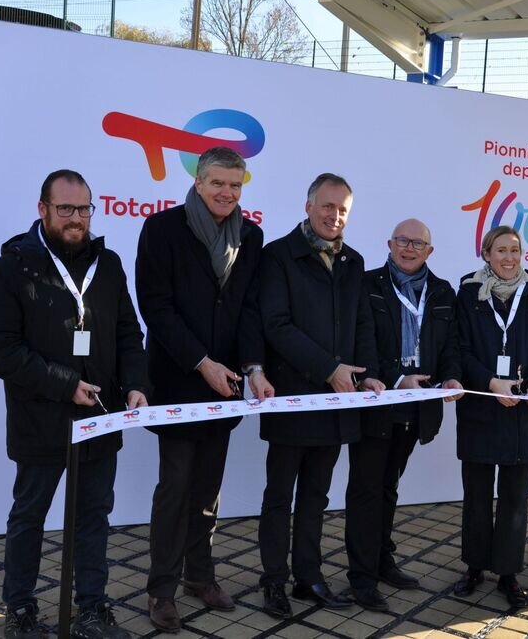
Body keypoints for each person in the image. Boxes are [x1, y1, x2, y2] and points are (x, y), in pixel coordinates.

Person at [0, 169, 148, 639]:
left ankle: (92, 609)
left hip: (100, 418)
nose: (76, 219)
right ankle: (20, 610)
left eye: (84, 209)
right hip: (40, 418)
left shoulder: (108, 264)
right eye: (66, 209)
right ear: (43, 210)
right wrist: (64, 383)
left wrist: (135, 384)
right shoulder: (12, 267)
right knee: (29, 517)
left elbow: (128, 333)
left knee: (93, 518)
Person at [135, 147, 275, 632]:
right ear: (198, 182)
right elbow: (156, 308)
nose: (226, 193)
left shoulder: (251, 236)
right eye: (218, 183)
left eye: (235, 186)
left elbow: (251, 310)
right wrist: (202, 363)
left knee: (208, 489)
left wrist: (252, 368)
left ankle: (200, 574)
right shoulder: (162, 230)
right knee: (174, 488)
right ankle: (161, 590)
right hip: (178, 382)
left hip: (226, 386)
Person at [257, 173, 386, 619]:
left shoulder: (353, 261)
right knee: (279, 496)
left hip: (339, 403)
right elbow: (275, 325)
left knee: (316, 497)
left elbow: (363, 325)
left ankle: (308, 578)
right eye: (327, 206)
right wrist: (329, 369)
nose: (335, 216)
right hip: (293, 399)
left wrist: (367, 376)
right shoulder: (277, 256)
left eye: (343, 209)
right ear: (308, 205)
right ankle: (273, 580)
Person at [344, 219, 465, 612]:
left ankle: (382, 561)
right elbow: (359, 342)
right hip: (378, 403)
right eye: (402, 241)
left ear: (430, 251)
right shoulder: (367, 285)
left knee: (388, 487)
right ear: (390, 244)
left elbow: (451, 345)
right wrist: (396, 378)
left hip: (417, 410)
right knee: (365, 490)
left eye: (418, 243)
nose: (409, 248)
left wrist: (450, 377)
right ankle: (361, 578)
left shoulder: (444, 292)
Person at [452, 226, 528, 609]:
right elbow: (458, 350)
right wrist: (490, 382)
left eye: (515, 250)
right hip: (481, 406)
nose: (510, 257)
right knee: (477, 497)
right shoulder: (467, 293)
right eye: (501, 250)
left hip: (521, 416)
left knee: (514, 500)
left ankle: (509, 573)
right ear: (486, 253)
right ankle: (475, 567)